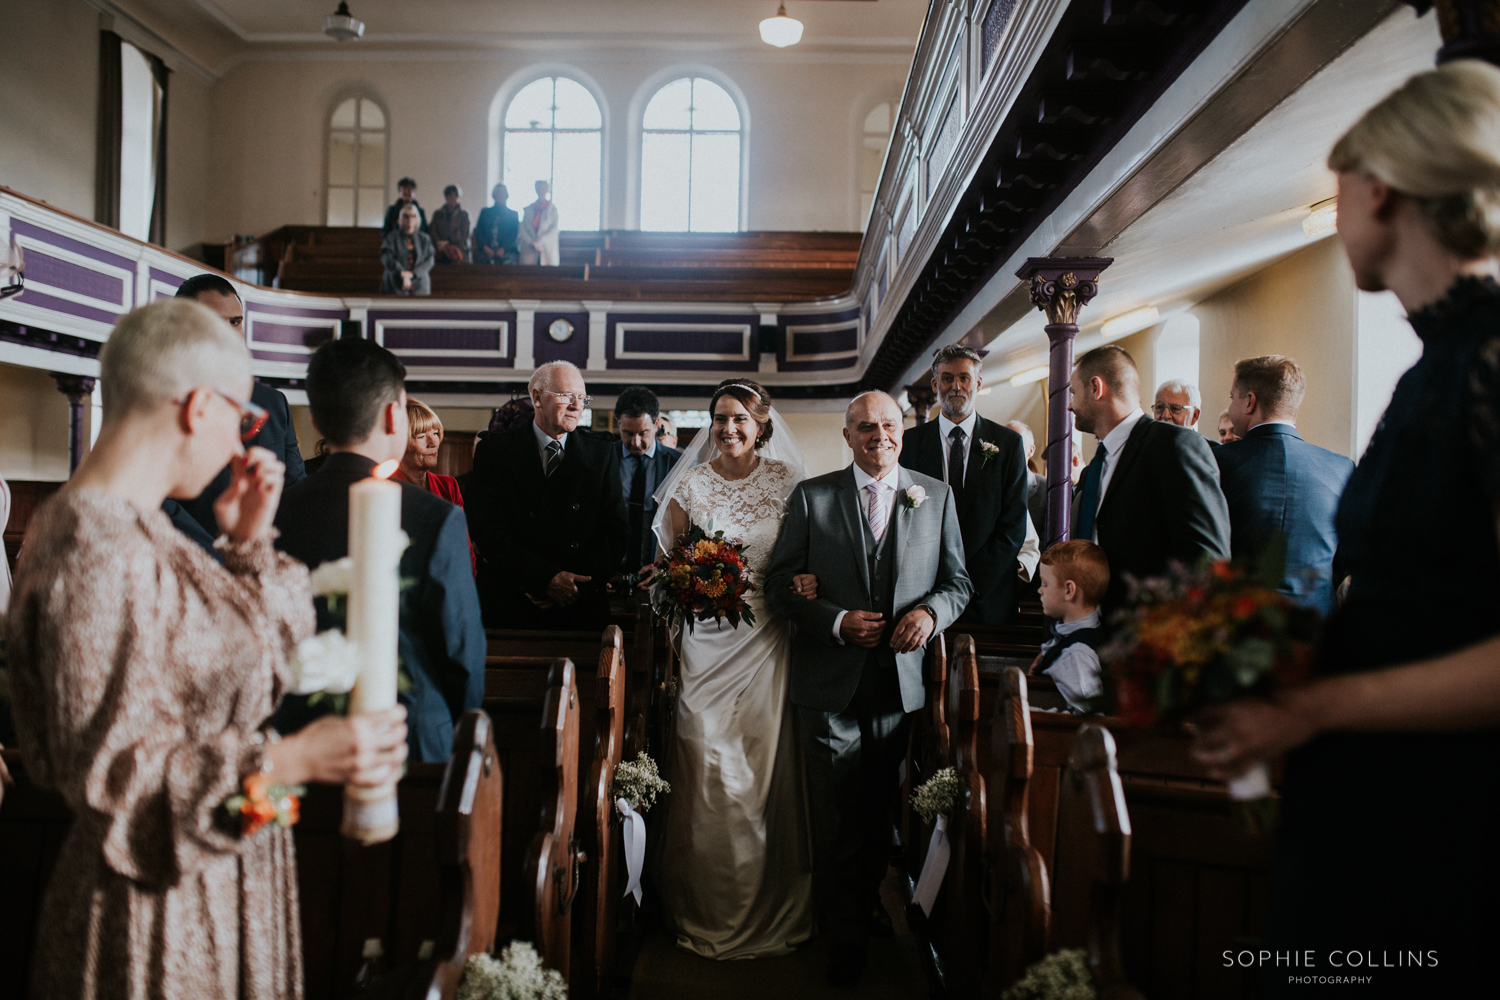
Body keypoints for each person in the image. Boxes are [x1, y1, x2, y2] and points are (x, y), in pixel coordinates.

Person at [1193, 62, 1500, 997]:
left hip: (1449, 812)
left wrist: (1314, 706)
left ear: (1380, 189)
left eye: (1337, 193)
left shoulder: (1486, 366)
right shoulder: (1434, 367)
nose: (1335, 217)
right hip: (1375, 788)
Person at [5, 299, 406, 999]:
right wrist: (294, 759)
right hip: (153, 912)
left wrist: (251, 546)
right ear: (197, 407)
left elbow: (263, 673)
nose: (244, 443)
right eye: (244, 419)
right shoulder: (92, 548)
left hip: (214, 872)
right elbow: (120, 793)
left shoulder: (143, 534)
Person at [765, 390, 972, 987]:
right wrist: (834, 620)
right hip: (829, 682)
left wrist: (931, 615)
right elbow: (780, 586)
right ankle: (845, 932)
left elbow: (958, 582)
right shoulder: (814, 496)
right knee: (834, 816)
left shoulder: (934, 495)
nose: (877, 435)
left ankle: (862, 903)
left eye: (887, 425)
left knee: (879, 809)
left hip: (898, 686)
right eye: (864, 427)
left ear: (902, 432)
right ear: (848, 435)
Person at [650, 379, 818, 960]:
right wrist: (686, 584)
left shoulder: (789, 484)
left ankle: (770, 905)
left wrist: (805, 582)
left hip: (768, 639)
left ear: (761, 423)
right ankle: (704, 905)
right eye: (720, 418)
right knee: (705, 760)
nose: (728, 428)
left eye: (740, 418)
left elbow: (805, 558)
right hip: (705, 643)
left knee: (761, 771)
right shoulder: (689, 484)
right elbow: (668, 568)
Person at [274, 338, 484, 763]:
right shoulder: (436, 517)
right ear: (394, 416)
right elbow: (462, 652)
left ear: (315, 421)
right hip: (411, 741)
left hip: (300, 740)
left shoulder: (276, 509)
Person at [1069, 344, 1229, 610]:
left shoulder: (1174, 446)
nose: (1069, 405)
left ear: (1096, 388)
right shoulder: (1097, 465)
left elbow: (1207, 558)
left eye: (1073, 392)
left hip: (1152, 632)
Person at [469, 361, 627, 629]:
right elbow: (488, 531)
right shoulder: (494, 452)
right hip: (513, 602)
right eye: (567, 396)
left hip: (580, 608)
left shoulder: (601, 452)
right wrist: (543, 579)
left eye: (582, 398)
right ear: (537, 397)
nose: (577, 406)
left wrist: (574, 587)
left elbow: (615, 532)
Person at [166, 274, 304, 549]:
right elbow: (159, 498)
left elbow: (295, 490)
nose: (229, 333)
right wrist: (222, 553)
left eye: (235, 322)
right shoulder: (166, 400)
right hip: (187, 554)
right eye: (216, 323)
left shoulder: (273, 403)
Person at [1214, 355, 1353, 615]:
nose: (1231, 407)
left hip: (1237, 624)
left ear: (1250, 402)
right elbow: (1348, 557)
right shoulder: (1341, 467)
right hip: (1316, 625)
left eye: (1233, 397)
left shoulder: (1216, 462)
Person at [900, 345, 1028, 624]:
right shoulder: (908, 444)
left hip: (987, 596)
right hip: (922, 597)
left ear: (978, 383)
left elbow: (1013, 527)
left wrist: (964, 584)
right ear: (935, 384)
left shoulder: (1007, 444)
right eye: (947, 378)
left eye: (964, 378)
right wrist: (934, 588)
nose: (955, 386)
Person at [612, 386, 682, 591]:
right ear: (618, 424)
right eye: (627, 433)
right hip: (611, 573)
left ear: (656, 424)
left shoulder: (676, 464)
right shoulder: (604, 457)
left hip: (659, 574)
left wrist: (665, 568)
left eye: (643, 433)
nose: (635, 442)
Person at [397, 397, 476, 575]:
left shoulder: (448, 486)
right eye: (422, 436)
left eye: (435, 432)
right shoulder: (385, 488)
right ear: (400, 442)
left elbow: (464, 548)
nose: (433, 443)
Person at [1030, 540, 1109, 713]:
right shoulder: (1088, 633)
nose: (1040, 590)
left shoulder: (1076, 654)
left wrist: (1029, 713)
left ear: (1069, 591)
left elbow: (1090, 716)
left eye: (1045, 584)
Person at [380, 205, 435, 295]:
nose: (409, 219)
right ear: (400, 219)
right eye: (406, 216)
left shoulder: (424, 239)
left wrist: (412, 274)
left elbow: (430, 260)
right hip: (394, 284)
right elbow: (386, 257)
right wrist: (402, 273)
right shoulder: (392, 237)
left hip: (420, 285)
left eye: (413, 216)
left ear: (417, 218)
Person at [1006, 419, 1047, 539]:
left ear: (1031, 450)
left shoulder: (1045, 488)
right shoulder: (991, 484)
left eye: (1016, 445)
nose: (1009, 451)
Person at [473, 183, 520, 264]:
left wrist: (503, 249)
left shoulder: (513, 214)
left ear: (506, 195)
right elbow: (479, 232)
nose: (500, 195)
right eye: (497, 192)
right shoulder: (485, 212)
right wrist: (486, 248)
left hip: (506, 252)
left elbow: (514, 234)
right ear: (493, 195)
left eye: (502, 192)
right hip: (486, 251)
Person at [520, 179, 560, 266]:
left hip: (547, 249)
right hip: (529, 249)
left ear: (547, 190)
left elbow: (554, 229)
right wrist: (532, 242)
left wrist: (539, 242)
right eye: (538, 188)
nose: (541, 191)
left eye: (543, 189)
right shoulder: (528, 209)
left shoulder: (552, 210)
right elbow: (522, 228)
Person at [429, 184, 471, 263]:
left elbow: (465, 234)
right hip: (440, 248)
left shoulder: (464, 215)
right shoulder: (438, 214)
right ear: (446, 197)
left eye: (455, 196)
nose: (453, 198)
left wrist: (449, 242)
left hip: (457, 249)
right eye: (450, 195)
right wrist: (438, 242)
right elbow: (432, 231)